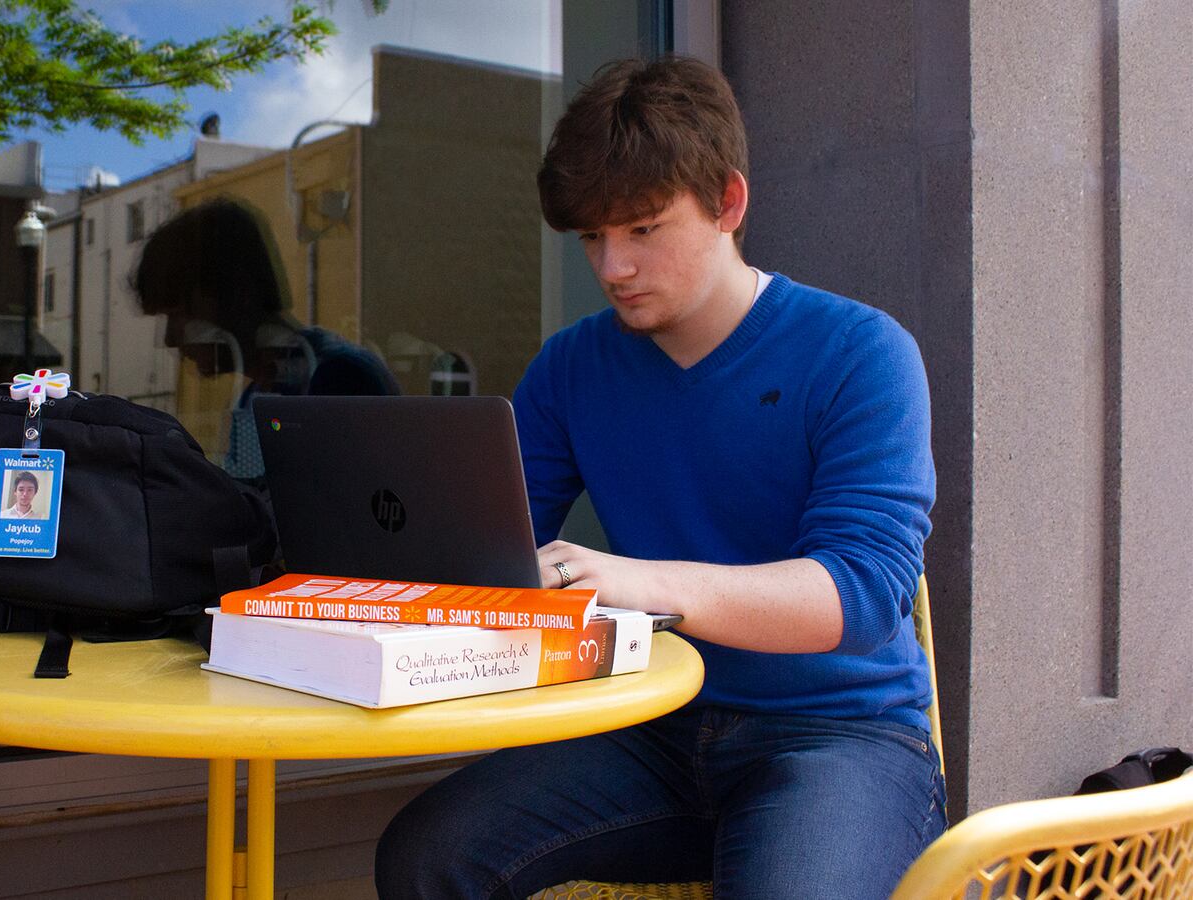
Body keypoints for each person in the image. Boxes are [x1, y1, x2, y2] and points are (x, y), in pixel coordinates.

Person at [375, 57, 942, 899]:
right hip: (649, 729)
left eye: (642, 229)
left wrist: (639, 585)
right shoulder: (574, 366)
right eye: (592, 238)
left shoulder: (861, 353)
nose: (612, 268)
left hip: (840, 735)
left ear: (729, 203)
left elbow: (858, 596)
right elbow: (493, 545)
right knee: (428, 854)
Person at [134, 198, 398, 481]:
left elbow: (338, 512)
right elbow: (253, 502)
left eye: (178, 315)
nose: (171, 339)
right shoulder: (259, 397)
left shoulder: (337, 380)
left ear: (238, 294)